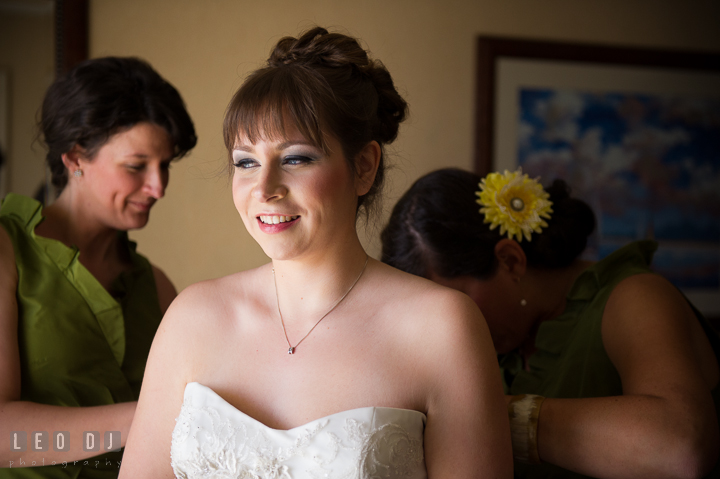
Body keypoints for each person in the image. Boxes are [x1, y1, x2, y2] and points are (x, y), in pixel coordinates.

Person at [119, 27, 512, 478]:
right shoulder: (192, 317)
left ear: (363, 167)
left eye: (296, 158)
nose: (263, 190)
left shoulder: (442, 327)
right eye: (246, 162)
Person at [380, 167, 720, 479]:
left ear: (510, 261)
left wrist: (488, 415)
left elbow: (680, 448)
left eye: (454, 305)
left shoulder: (635, 297)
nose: (444, 329)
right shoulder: (496, 344)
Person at [0, 57, 197, 478]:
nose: (158, 187)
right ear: (75, 157)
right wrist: (149, 415)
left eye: (165, 166)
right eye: (136, 166)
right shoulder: (7, 250)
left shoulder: (157, 287)